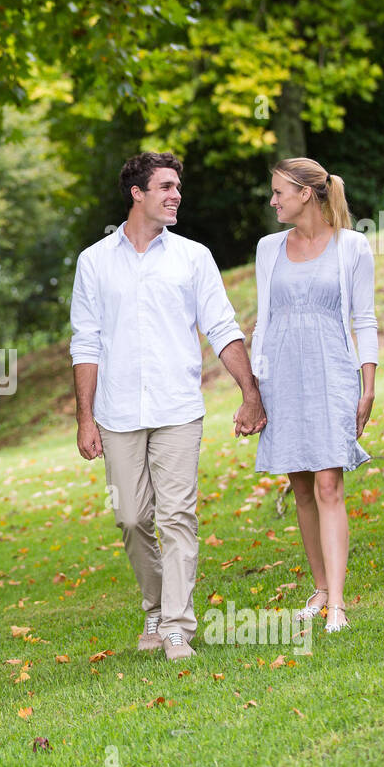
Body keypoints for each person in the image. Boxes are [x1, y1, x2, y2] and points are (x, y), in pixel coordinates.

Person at [70, 152, 265, 662]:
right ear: (136, 193)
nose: (176, 194)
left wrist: (250, 391)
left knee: (177, 515)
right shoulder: (94, 261)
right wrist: (84, 418)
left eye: (178, 186)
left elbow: (222, 326)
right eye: (165, 186)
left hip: (178, 407)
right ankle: (155, 605)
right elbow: (85, 343)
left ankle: (177, 626)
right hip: (116, 414)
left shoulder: (193, 257)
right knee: (132, 518)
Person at [250, 157, 378, 633]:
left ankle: (339, 605)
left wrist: (369, 385)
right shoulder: (268, 249)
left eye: (279, 191)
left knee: (329, 482)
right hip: (281, 377)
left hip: (332, 373)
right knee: (301, 485)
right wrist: (254, 391)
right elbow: (262, 321)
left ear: (306, 193)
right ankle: (320, 589)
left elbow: (364, 319)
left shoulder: (352, 247)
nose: (273, 200)